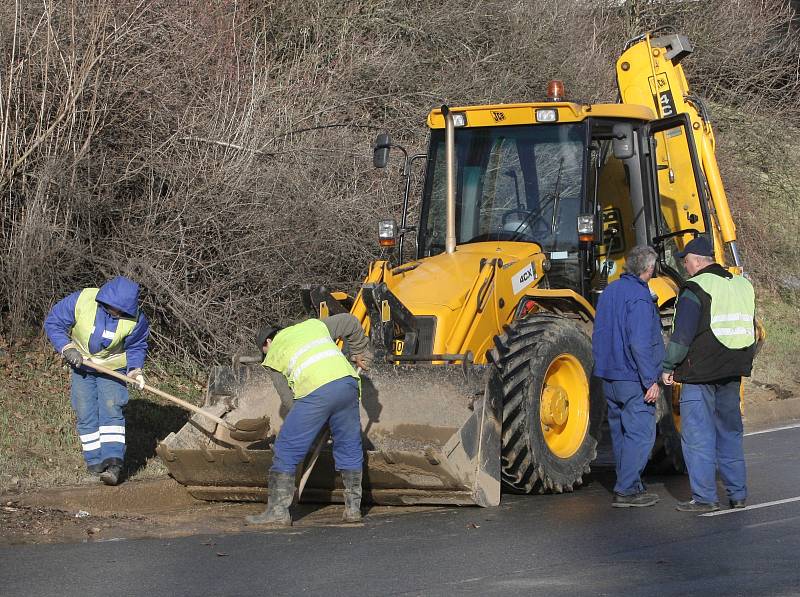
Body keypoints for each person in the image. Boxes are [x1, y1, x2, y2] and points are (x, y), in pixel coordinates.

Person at [246, 313, 372, 527]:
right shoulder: (314, 326)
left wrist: (315, 422)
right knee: (349, 446)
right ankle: (353, 510)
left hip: (317, 392)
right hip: (348, 384)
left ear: (268, 342)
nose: (265, 354)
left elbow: (288, 400)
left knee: (285, 448)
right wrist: (360, 351)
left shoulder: (273, 355)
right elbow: (350, 322)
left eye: (263, 351)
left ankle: (277, 513)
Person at [662, 236, 757, 513]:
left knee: (698, 435)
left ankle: (705, 498)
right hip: (733, 369)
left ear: (696, 260)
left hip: (700, 373)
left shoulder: (695, 288)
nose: (685, 268)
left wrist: (669, 366)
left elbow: (682, 335)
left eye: (686, 262)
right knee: (730, 432)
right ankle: (737, 495)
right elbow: (750, 326)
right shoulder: (742, 284)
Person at [44, 276, 149, 486]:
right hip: (81, 365)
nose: (117, 313)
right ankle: (94, 462)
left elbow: (137, 346)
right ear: (105, 299)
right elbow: (53, 322)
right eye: (113, 308)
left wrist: (135, 370)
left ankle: (113, 464)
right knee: (85, 411)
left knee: (111, 409)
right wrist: (67, 348)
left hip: (113, 370)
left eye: (122, 311)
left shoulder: (136, 319)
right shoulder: (82, 300)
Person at [592, 245, 664, 508]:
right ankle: (626, 489)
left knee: (621, 433)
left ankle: (630, 485)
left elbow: (600, 333)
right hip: (633, 377)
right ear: (649, 269)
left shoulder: (609, 292)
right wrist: (650, 380)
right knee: (642, 434)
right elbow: (640, 343)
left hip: (608, 375)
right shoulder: (640, 297)